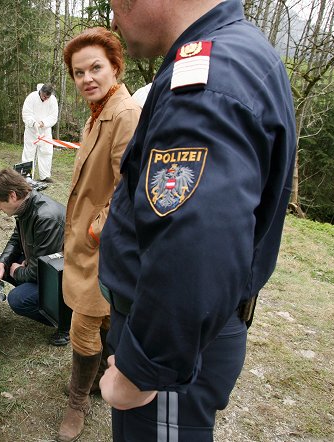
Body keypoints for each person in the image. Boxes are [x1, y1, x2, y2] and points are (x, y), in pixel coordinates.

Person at [98, 1, 297, 440]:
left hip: (171, 344)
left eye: (114, 3)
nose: (113, 19)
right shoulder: (238, 53)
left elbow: (195, 248)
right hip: (189, 331)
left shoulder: (206, 81)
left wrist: (143, 370)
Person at [56, 27, 142, 442]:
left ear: (115, 68)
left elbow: (131, 187)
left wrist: (95, 228)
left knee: (83, 325)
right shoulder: (99, 112)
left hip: (102, 244)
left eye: (96, 68)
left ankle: (78, 401)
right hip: (88, 242)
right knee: (104, 317)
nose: (87, 78)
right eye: (78, 72)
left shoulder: (124, 114)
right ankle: (97, 380)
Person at [0, 168, 67, 345]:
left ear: (13, 195)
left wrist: (17, 271)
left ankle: (67, 323)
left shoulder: (46, 218)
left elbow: (44, 272)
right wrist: (3, 262)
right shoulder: (26, 207)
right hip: (42, 265)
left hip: (63, 279)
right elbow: (17, 237)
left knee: (18, 299)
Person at [21, 83, 59, 182]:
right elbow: (26, 113)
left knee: (46, 152)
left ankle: (45, 176)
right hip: (31, 130)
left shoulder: (53, 100)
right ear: (40, 91)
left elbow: (53, 116)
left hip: (45, 130)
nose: (45, 98)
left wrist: (44, 123)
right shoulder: (31, 97)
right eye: (44, 96)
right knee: (29, 152)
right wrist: (33, 123)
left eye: (47, 97)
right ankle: (26, 176)